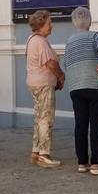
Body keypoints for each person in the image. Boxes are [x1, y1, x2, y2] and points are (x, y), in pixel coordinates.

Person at [63, 6, 98, 175]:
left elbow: (65, 65)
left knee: (80, 124)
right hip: (95, 86)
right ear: (90, 21)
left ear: (74, 22)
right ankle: (97, 163)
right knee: (96, 125)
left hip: (76, 88)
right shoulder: (94, 36)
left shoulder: (70, 41)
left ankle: (82, 163)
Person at [25, 10, 63, 168]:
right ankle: (44, 154)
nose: (51, 26)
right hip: (43, 83)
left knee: (39, 118)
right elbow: (51, 64)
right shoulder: (40, 41)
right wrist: (61, 76)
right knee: (46, 119)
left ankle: (36, 151)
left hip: (35, 82)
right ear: (41, 25)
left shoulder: (31, 39)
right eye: (49, 23)